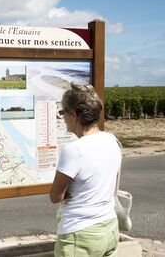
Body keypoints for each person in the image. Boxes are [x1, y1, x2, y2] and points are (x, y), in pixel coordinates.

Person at [50, 83, 122, 257]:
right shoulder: (111, 140)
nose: (63, 118)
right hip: (109, 227)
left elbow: (55, 196)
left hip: (80, 235)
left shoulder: (74, 150)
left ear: (74, 115)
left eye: (63, 113)